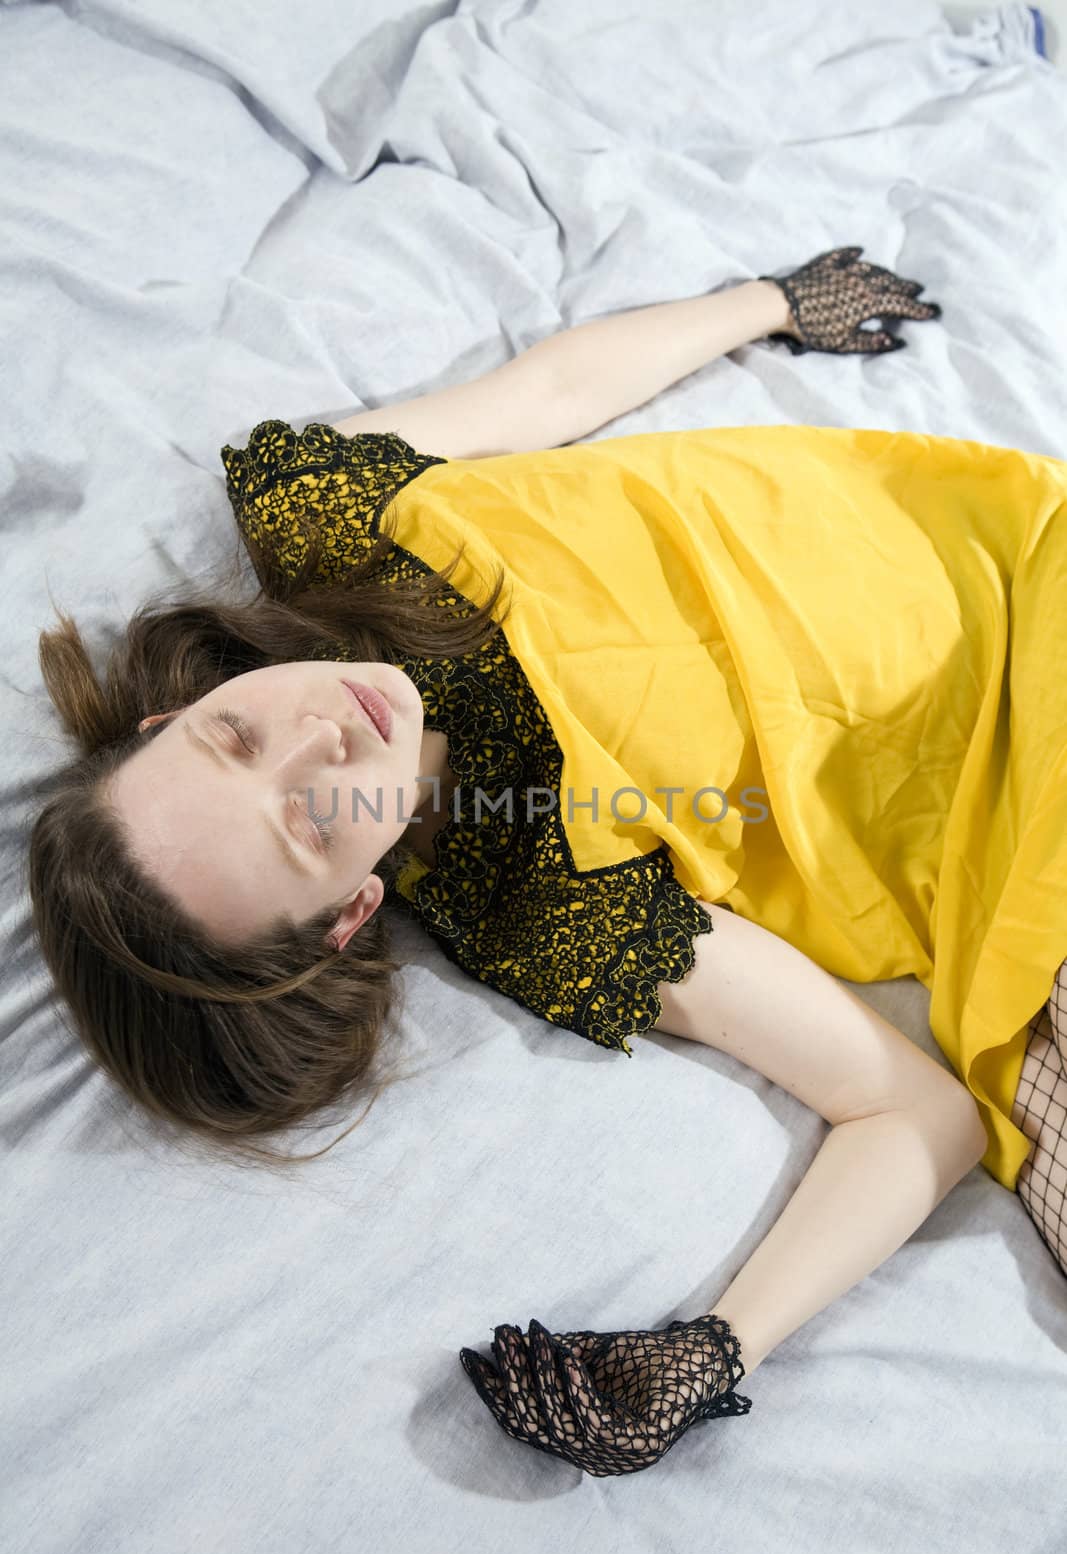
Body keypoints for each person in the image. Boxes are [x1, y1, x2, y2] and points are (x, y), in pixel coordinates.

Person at [27, 247, 1067, 1479]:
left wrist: (773, 303)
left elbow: (549, 391)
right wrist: (715, 1349)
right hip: (1005, 831)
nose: (321, 732)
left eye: (233, 730)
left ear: (166, 718)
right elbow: (915, 1109)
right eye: (308, 818)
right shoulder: (540, 903)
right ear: (354, 912)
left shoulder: (321, 518)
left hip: (1002, 566)